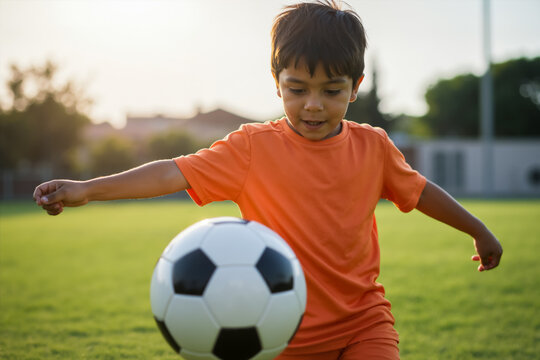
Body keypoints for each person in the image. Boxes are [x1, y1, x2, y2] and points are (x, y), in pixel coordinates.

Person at [33, 1, 502, 359]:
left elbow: (418, 191)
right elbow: (171, 172)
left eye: (332, 91)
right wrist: (88, 189)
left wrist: (477, 229)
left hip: (364, 325)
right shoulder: (251, 147)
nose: (313, 105)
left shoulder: (373, 145)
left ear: (356, 86)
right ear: (276, 81)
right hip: (277, 335)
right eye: (297, 89)